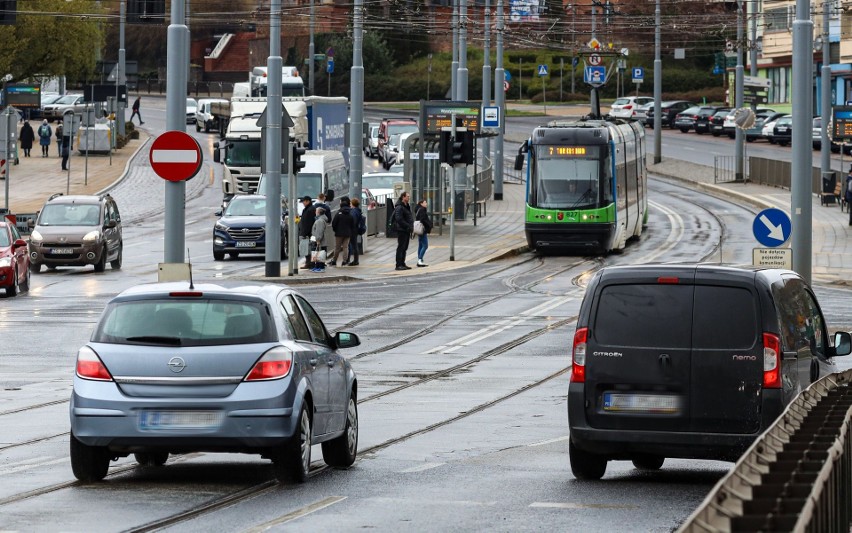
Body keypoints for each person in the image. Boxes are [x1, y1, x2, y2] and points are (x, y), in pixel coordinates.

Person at [331, 197, 356, 267]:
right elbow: (352, 225)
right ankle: (344, 261)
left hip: (338, 234)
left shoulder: (338, 214)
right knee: (346, 247)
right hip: (347, 233)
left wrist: (335, 230)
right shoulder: (350, 214)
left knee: (337, 248)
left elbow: (334, 224)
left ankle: (334, 260)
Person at [393, 191, 413, 270]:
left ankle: (402, 263)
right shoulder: (399, 207)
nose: (409, 198)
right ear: (403, 197)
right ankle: (398, 264)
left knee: (405, 247)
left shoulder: (406, 206)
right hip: (402, 230)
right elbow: (399, 219)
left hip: (406, 230)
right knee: (401, 246)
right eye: (407, 196)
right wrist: (407, 225)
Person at [297, 195, 317, 269]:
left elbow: (309, 223)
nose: (303, 203)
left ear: (308, 201)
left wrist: (305, 233)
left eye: (304, 202)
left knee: (309, 249)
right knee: (307, 249)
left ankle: (310, 263)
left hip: (308, 233)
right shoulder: (307, 209)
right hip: (306, 232)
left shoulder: (310, 210)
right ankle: (309, 263)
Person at [414, 198, 433, 267]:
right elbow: (423, 219)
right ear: (421, 204)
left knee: (420, 245)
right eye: (425, 202)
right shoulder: (422, 210)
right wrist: (429, 225)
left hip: (419, 229)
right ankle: (420, 260)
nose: (426, 204)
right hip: (422, 230)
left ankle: (420, 260)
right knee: (425, 245)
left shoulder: (419, 209)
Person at [348, 198, 365, 266]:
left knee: (353, 245)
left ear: (352, 204)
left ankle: (355, 260)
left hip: (353, 230)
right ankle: (356, 260)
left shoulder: (353, 212)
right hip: (356, 230)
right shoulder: (358, 211)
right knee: (354, 245)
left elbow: (353, 221)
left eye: (350, 203)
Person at [310, 206, 328, 272]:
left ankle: (321, 267)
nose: (315, 212)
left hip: (320, 241)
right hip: (320, 240)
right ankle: (317, 266)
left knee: (319, 254)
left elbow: (319, 231)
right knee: (318, 254)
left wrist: (318, 240)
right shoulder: (321, 220)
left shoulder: (320, 221)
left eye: (316, 211)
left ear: (318, 212)